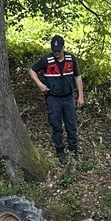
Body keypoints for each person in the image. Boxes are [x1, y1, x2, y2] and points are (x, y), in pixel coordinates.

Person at [29, 35, 84, 165]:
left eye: (59, 50)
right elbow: (32, 70)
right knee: (56, 125)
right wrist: (40, 84)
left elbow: (77, 76)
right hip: (53, 98)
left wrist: (80, 95)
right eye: (55, 51)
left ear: (63, 47)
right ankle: (60, 152)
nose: (57, 53)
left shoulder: (71, 59)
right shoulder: (47, 60)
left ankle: (73, 151)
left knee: (71, 125)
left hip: (68, 97)